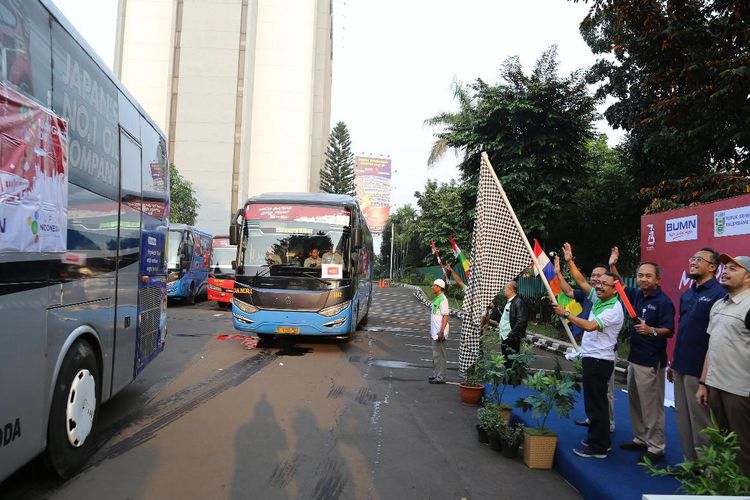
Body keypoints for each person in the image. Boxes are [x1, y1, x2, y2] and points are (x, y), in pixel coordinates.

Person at [610, 248, 676, 463]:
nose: (643, 279)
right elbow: (619, 286)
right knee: (635, 401)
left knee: (652, 406)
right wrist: (612, 265)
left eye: (648, 275)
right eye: (640, 275)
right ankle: (640, 438)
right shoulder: (637, 295)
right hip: (634, 358)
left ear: (658, 279)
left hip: (651, 361)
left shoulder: (663, 302)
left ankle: (656, 447)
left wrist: (652, 331)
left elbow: (669, 330)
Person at [553, 267, 624, 459]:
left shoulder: (613, 309)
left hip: (599, 361)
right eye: (598, 283)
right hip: (592, 357)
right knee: (593, 402)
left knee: (597, 404)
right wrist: (569, 261)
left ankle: (599, 447)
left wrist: (566, 314)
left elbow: (590, 326)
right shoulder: (599, 300)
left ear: (615, 289)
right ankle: (598, 439)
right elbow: (582, 282)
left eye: (604, 284)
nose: (598, 287)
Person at [696, 254, 750, 476]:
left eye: (734, 269)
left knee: (742, 449)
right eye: (725, 267)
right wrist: (703, 382)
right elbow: (712, 345)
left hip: (740, 390)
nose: (725, 271)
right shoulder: (719, 304)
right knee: (721, 444)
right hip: (715, 386)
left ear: (748, 278)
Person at [670, 248, 725, 461]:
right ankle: (689, 464)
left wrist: (705, 377)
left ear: (712, 266)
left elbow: (715, 339)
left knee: (702, 422)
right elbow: (684, 330)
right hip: (680, 365)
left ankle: (708, 473)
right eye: (691, 258)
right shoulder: (688, 294)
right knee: (683, 418)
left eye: (699, 259)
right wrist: (674, 363)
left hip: (700, 370)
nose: (692, 262)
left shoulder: (719, 295)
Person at [555, 250, 616, 432]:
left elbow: (590, 326)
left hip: (603, 355)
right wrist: (559, 271)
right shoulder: (593, 296)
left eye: (601, 277)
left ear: (611, 284)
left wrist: (566, 314)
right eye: (594, 276)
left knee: (605, 393)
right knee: (593, 393)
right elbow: (571, 287)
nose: (596, 280)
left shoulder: (612, 303)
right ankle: (595, 422)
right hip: (590, 352)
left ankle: (607, 425)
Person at [498, 281, 528, 361]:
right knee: (506, 360)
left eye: (505, 288)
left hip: (510, 338)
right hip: (505, 336)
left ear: (511, 290)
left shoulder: (518, 302)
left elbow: (521, 321)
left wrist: (511, 334)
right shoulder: (510, 301)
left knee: (511, 362)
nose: (504, 290)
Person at [428, 278, 450, 384]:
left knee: (440, 355)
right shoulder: (438, 298)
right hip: (435, 333)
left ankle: (440, 377)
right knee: (436, 355)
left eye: (434, 285)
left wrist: (441, 331)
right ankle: (436, 374)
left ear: (439, 288)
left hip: (440, 333)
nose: (432, 287)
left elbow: (446, 316)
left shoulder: (443, 299)